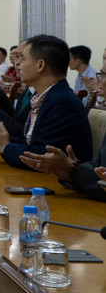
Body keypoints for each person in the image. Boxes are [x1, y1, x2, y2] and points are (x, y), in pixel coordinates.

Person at [0, 35, 92, 169]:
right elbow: (32, 143)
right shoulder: (47, 96)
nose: (18, 64)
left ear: (40, 65)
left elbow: (43, 157)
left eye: (23, 59)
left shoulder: (62, 102)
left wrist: (4, 146)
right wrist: (0, 138)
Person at [19, 72, 106, 201]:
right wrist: (71, 170)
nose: (101, 84)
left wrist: (73, 171)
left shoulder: (62, 100)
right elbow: (98, 166)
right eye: (102, 76)